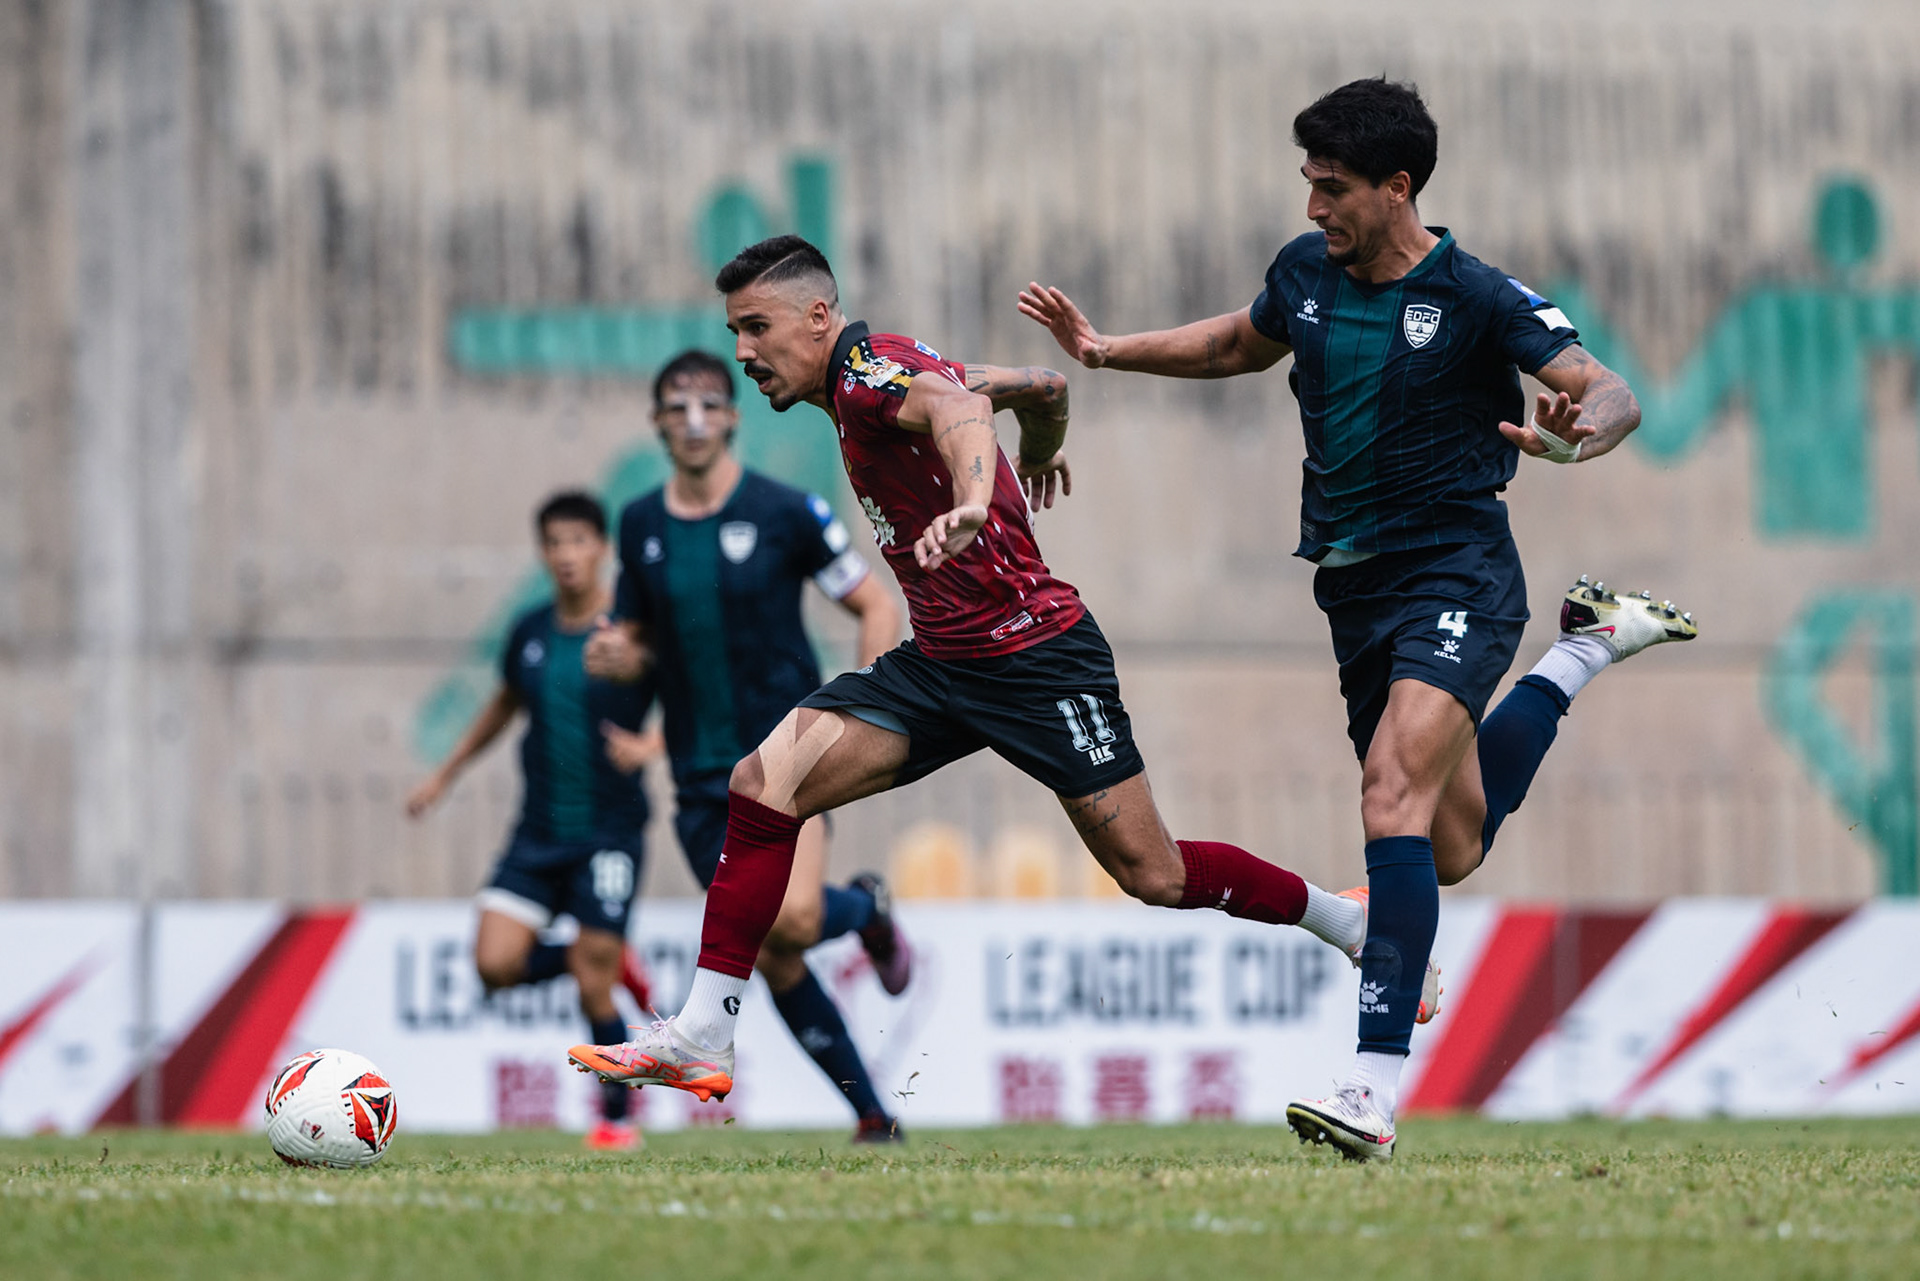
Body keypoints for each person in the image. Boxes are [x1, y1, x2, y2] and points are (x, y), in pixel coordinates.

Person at [1017, 77, 1698, 1160]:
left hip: (1460, 573)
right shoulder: (1307, 274)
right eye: (1306, 185)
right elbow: (1243, 343)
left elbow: (1607, 388)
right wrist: (1107, 353)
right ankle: (1585, 647)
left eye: (1330, 189)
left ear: (1398, 186)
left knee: (1389, 796)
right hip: (1354, 588)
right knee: (1452, 843)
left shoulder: (1477, 294)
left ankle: (1372, 1089)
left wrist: (1582, 433)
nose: (1311, 209)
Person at [567, 234, 1390, 1111]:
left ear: (818, 318)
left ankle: (1344, 920)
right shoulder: (883, 368)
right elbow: (1044, 386)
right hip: (943, 661)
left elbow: (956, 412)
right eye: (734, 332)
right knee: (764, 784)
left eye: (754, 328)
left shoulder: (867, 376)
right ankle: (702, 1032)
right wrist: (1039, 447)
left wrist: (969, 497)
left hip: (1038, 654)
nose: (743, 353)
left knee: (1155, 875)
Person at [580, 347, 914, 1143]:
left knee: (793, 921)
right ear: (658, 423)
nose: (693, 418)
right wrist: (619, 655)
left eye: (709, 402)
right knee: (776, 955)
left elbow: (874, 603)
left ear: (732, 417)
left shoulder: (787, 510)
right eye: (676, 404)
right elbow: (635, 638)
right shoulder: (641, 525)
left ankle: (865, 907)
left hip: (792, 761)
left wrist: (862, 704)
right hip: (699, 776)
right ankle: (874, 1117)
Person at [407, 491, 661, 1152]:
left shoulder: (632, 630)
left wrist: (650, 747)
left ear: (602, 547)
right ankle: (601, 953)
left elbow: (696, 696)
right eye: (555, 542)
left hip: (609, 832)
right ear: (543, 552)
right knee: (494, 963)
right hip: (538, 833)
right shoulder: (531, 632)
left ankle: (616, 1116)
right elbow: (503, 703)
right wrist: (445, 773)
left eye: (580, 540)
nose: (568, 555)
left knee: (591, 980)